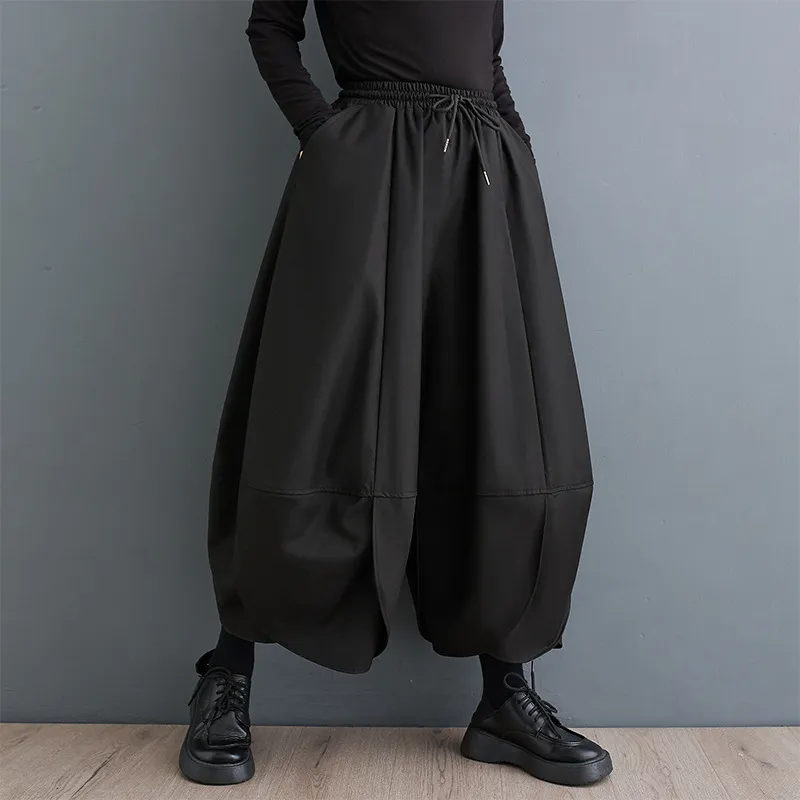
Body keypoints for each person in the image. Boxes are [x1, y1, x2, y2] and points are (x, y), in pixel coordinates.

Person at [179, 0, 611, 788]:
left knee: (496, 422)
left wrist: (516, 150)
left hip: (485, 177)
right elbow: (270, 27)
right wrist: (326, 137)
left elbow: (487, 59)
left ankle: (504, 698)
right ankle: (227, 676)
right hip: (366, 167)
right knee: (311, 418)